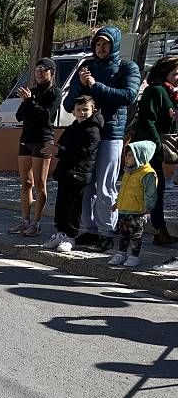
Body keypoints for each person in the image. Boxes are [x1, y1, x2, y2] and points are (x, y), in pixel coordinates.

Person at [61, 26, 141, 252]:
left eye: (105, 44)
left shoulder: (127, 67)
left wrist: (97, 86)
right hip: (86, 136)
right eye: (97, 44)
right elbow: (69, 105)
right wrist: (80, 84)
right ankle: (88, 229)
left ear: (114, 45)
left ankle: (107, 231)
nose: (101, 48)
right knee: (85, 184)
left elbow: (128, 96)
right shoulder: (87, 68)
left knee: (106, 186)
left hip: (111, 134)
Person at [41, 96, 102, 254]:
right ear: (73, 112)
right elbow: (61, 145)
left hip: (80, 173)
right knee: (61, 205)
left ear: (92, 110)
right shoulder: (72, 127)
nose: (82, 113)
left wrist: (60, 150)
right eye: (79, 110)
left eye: (85, 109)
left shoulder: (93, 130)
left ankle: (70, 237)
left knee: (74, 207)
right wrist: (56, 149)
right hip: (66, 172)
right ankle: (60, 233)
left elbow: (84, 152)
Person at [11, 58, 62, 237]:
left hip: (43, 140)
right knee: (26, 182)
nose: (40, 73)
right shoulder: (30, 92)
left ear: (51, 72)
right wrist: (26, 101)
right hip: (26, 139)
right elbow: (19, 116)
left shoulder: (55, 92)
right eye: (37, 69)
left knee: (40, 183)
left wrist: (31, 102)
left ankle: (36, 222)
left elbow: (46, 116)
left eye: (44, 69)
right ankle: (25, 220)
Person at [131, 55, 178, 247]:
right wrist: (158, 143)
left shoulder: (172, 93)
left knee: (157, 189)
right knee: (152, 190)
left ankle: (159, 229)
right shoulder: (156, 91)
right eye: (175, 73)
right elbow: (148, 120)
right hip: (149, 149)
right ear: (164, 72)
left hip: (159, 148)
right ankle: (157, 230)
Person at [108, 141, 158, 268]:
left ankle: (134, 256)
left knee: (136, 235)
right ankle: (121, 253)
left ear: (140, 156)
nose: (126, 158)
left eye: (130, 155)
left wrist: (148, 208)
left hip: (137, 212)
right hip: (124, 210)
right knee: (123, 234)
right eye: (126, 155)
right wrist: (117, 203)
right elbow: (123, 190)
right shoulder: (128, 171)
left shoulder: (148, 174)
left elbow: (150, 193)